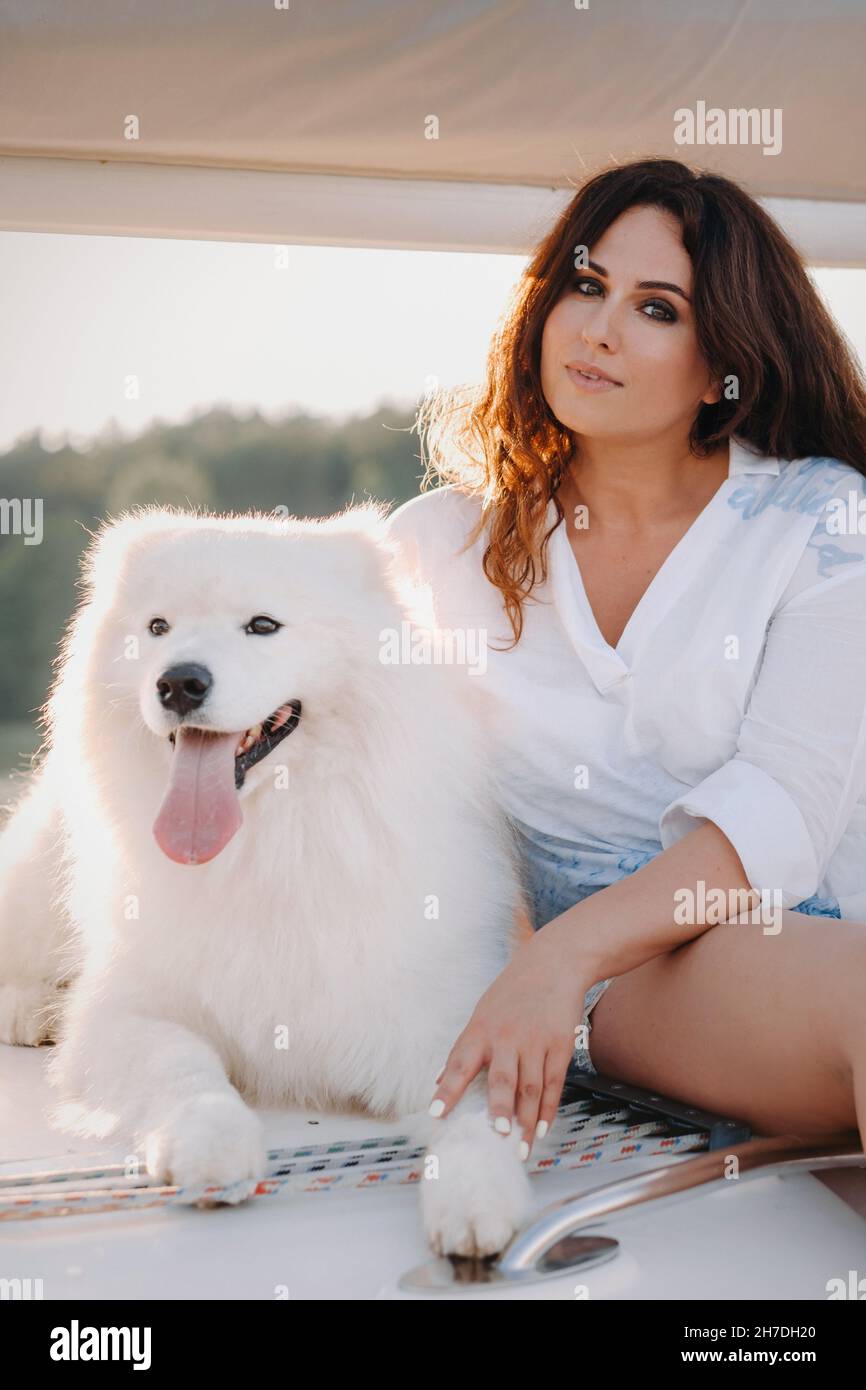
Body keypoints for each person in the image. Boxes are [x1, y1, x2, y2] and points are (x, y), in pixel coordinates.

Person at [382, 156, 866, 1163]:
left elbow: (784, 800)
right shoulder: (434, 547)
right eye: (584, 284)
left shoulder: (819, 520)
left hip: (786, 924)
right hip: (623, 991)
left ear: (722, 357)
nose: (597, 328)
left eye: (655, 308)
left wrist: (555, 956)